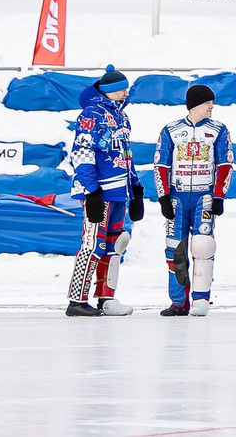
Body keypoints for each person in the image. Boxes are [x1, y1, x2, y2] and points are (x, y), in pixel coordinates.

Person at [65, 64, 139, 316]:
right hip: (100, 191)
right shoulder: (91, 115)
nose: (126, 92)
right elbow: (82, 152)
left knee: (114, 245)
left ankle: (106, 298)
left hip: (120, 190)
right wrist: (91, 191)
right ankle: (77, 300)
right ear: (109, 91)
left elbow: (126, 155)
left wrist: (135, 187)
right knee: (92, 244)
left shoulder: (122, 116)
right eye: (121, 89)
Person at [154, 82, 233, 316]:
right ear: (196, 104)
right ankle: (178, 302)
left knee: (203, 245)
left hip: (204, 196)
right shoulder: (171, 129)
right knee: (175, 250)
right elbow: (161, 165)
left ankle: (201, 298)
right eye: (208, 102)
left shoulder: (219, 129)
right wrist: (163, 197)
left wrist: (219, 196)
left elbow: (225, 164)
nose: (212, 107)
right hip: (177, 198)